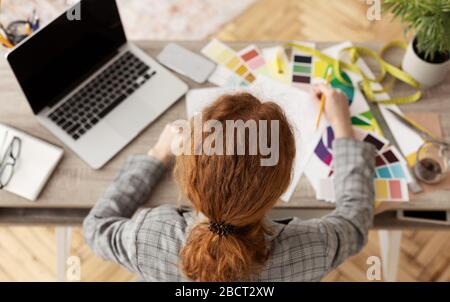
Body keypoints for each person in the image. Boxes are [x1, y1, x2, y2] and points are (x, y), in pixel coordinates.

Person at [83, 85, 375, 281]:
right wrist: (343, 128)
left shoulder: (146, 237)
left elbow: (96, 227)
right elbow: (355, 220)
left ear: (190, 175)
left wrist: (157, 155)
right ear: (282, 182)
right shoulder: (314, 247)